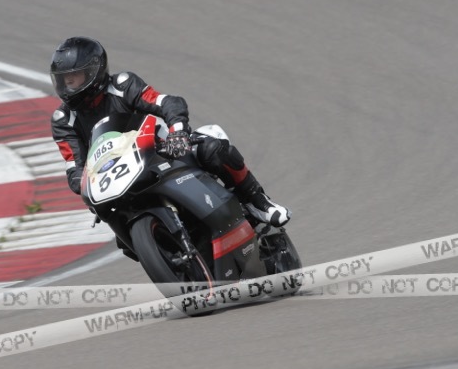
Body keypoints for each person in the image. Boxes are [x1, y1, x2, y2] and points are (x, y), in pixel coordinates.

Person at [50, 36, 291, 229]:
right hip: (116, 177)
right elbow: (75, 166)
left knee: (212, 148)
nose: (68, 87)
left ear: (94, 71)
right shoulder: (63, 120)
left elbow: (167, 103)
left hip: (160, 152)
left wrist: (177, 132)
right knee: (110, 217)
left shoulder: (123, 86)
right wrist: (83, 185)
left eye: (74, 79)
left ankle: (258, 201)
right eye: (64, 81)